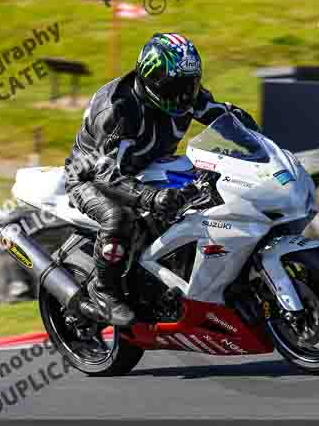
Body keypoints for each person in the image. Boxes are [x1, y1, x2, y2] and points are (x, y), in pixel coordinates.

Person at [64, 33, 259, 326]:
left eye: (190, 85)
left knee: (208, 194)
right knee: (119, 219)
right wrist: (150, 197)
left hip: (149, 165)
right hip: (90, 176)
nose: (185, 95)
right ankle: (104, 291)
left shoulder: (185, 96)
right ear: (153, 82)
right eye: (176, 87)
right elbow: (105, 174)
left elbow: (218, 114)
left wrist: (254, 137)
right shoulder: (117, 110)